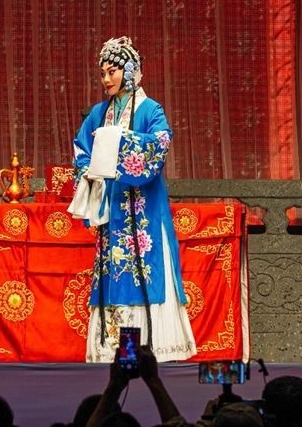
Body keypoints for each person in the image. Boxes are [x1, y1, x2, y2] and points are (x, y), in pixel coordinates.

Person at [71, 36, 195, 362]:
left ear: (129, 70)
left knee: (145, 269)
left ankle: (152, 346)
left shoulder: (150, 109)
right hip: (112, 206)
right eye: (102, 73)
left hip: (144, 207)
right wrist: (89, 171)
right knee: (113, 269)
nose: (106, 79)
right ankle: (112, 347)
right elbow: (81, 149)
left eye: (112, 71)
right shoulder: (99, 113)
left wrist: (118, 140)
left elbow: (160, 142)